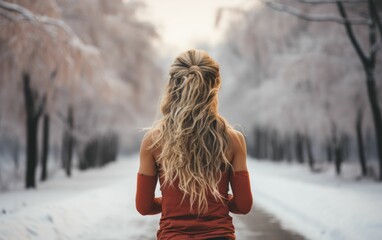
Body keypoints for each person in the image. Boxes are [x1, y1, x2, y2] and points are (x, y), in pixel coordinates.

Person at [136, 49, 253, 240]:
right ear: (215, 86)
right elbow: (244, 205)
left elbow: (143, 206)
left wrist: (172, 203)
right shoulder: (233, 139)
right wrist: (219, 201)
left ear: (173, 87)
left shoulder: (153, 140)